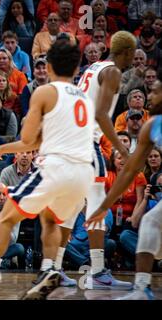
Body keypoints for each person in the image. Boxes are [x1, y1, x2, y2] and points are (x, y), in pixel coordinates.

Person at [0, 38, 95, 300]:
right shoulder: (85, 99)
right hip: (82, 175)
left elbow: (31, 141)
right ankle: (47, 270)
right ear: (77, 67)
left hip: (57, 167)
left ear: (50, 65)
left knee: (7, 217)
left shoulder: (45, 91)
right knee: (50, 217)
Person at [54, 32, 138, 291]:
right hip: (85, 144)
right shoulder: (112, 72)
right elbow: (101, 115)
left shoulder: (94, 66)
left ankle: (53, 268)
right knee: (98, 205)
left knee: (73, 205)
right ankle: (99, 270)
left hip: (72, 140)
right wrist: (123, 151)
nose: (134, 58)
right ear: (127, 52)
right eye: (133, 54)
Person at [86, 72, 162, 300]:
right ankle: (141, 289)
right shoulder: (150, 127)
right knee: (149, 222)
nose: (150, 96)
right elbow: (129, 170)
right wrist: (103, 206)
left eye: (156, 92)